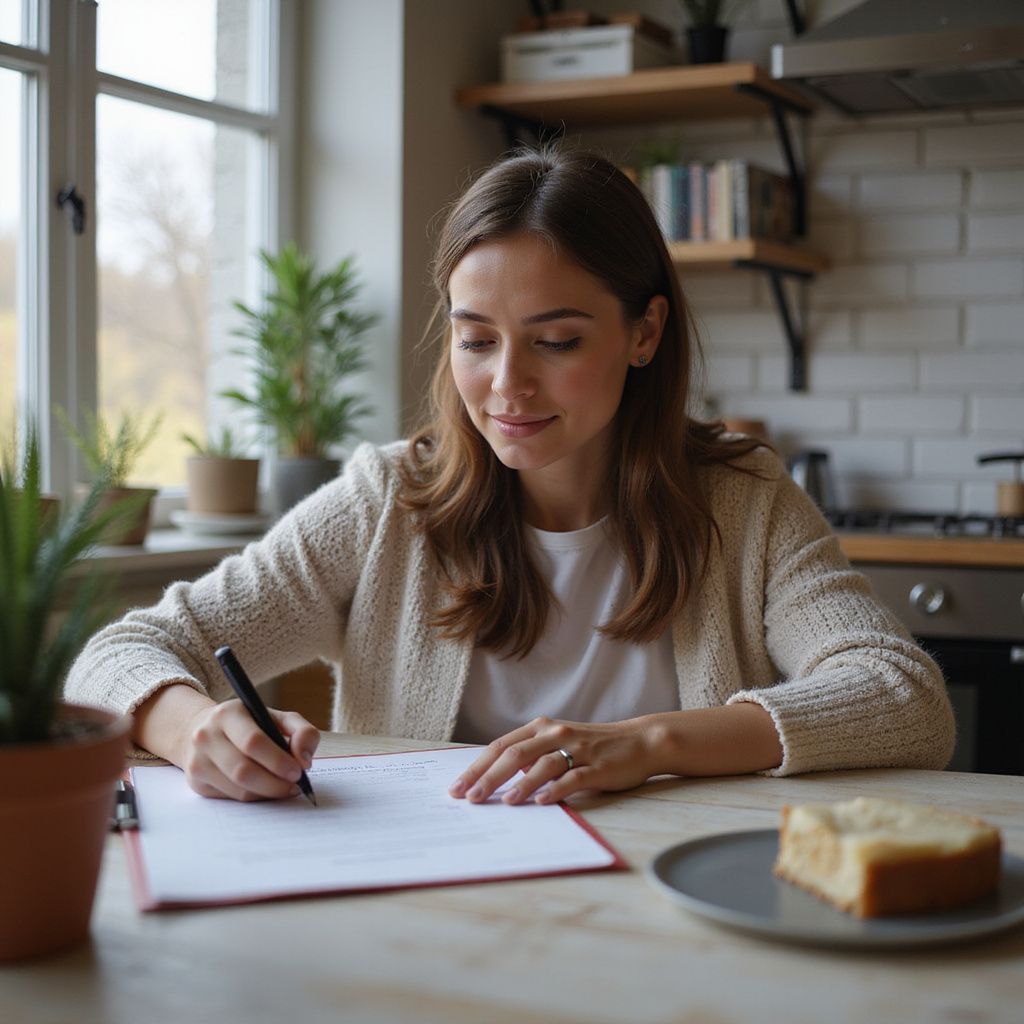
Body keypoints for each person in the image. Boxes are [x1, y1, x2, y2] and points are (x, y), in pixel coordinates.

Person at [66, 146, 955, 806]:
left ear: (644, 333)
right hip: (435, 916)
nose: (506, 385)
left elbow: (904, 698)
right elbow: (115, 655)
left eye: (557, 341)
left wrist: (645, 744)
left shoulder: (745, 500)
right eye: (476, 338)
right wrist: (194, 731)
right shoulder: (387, 503)